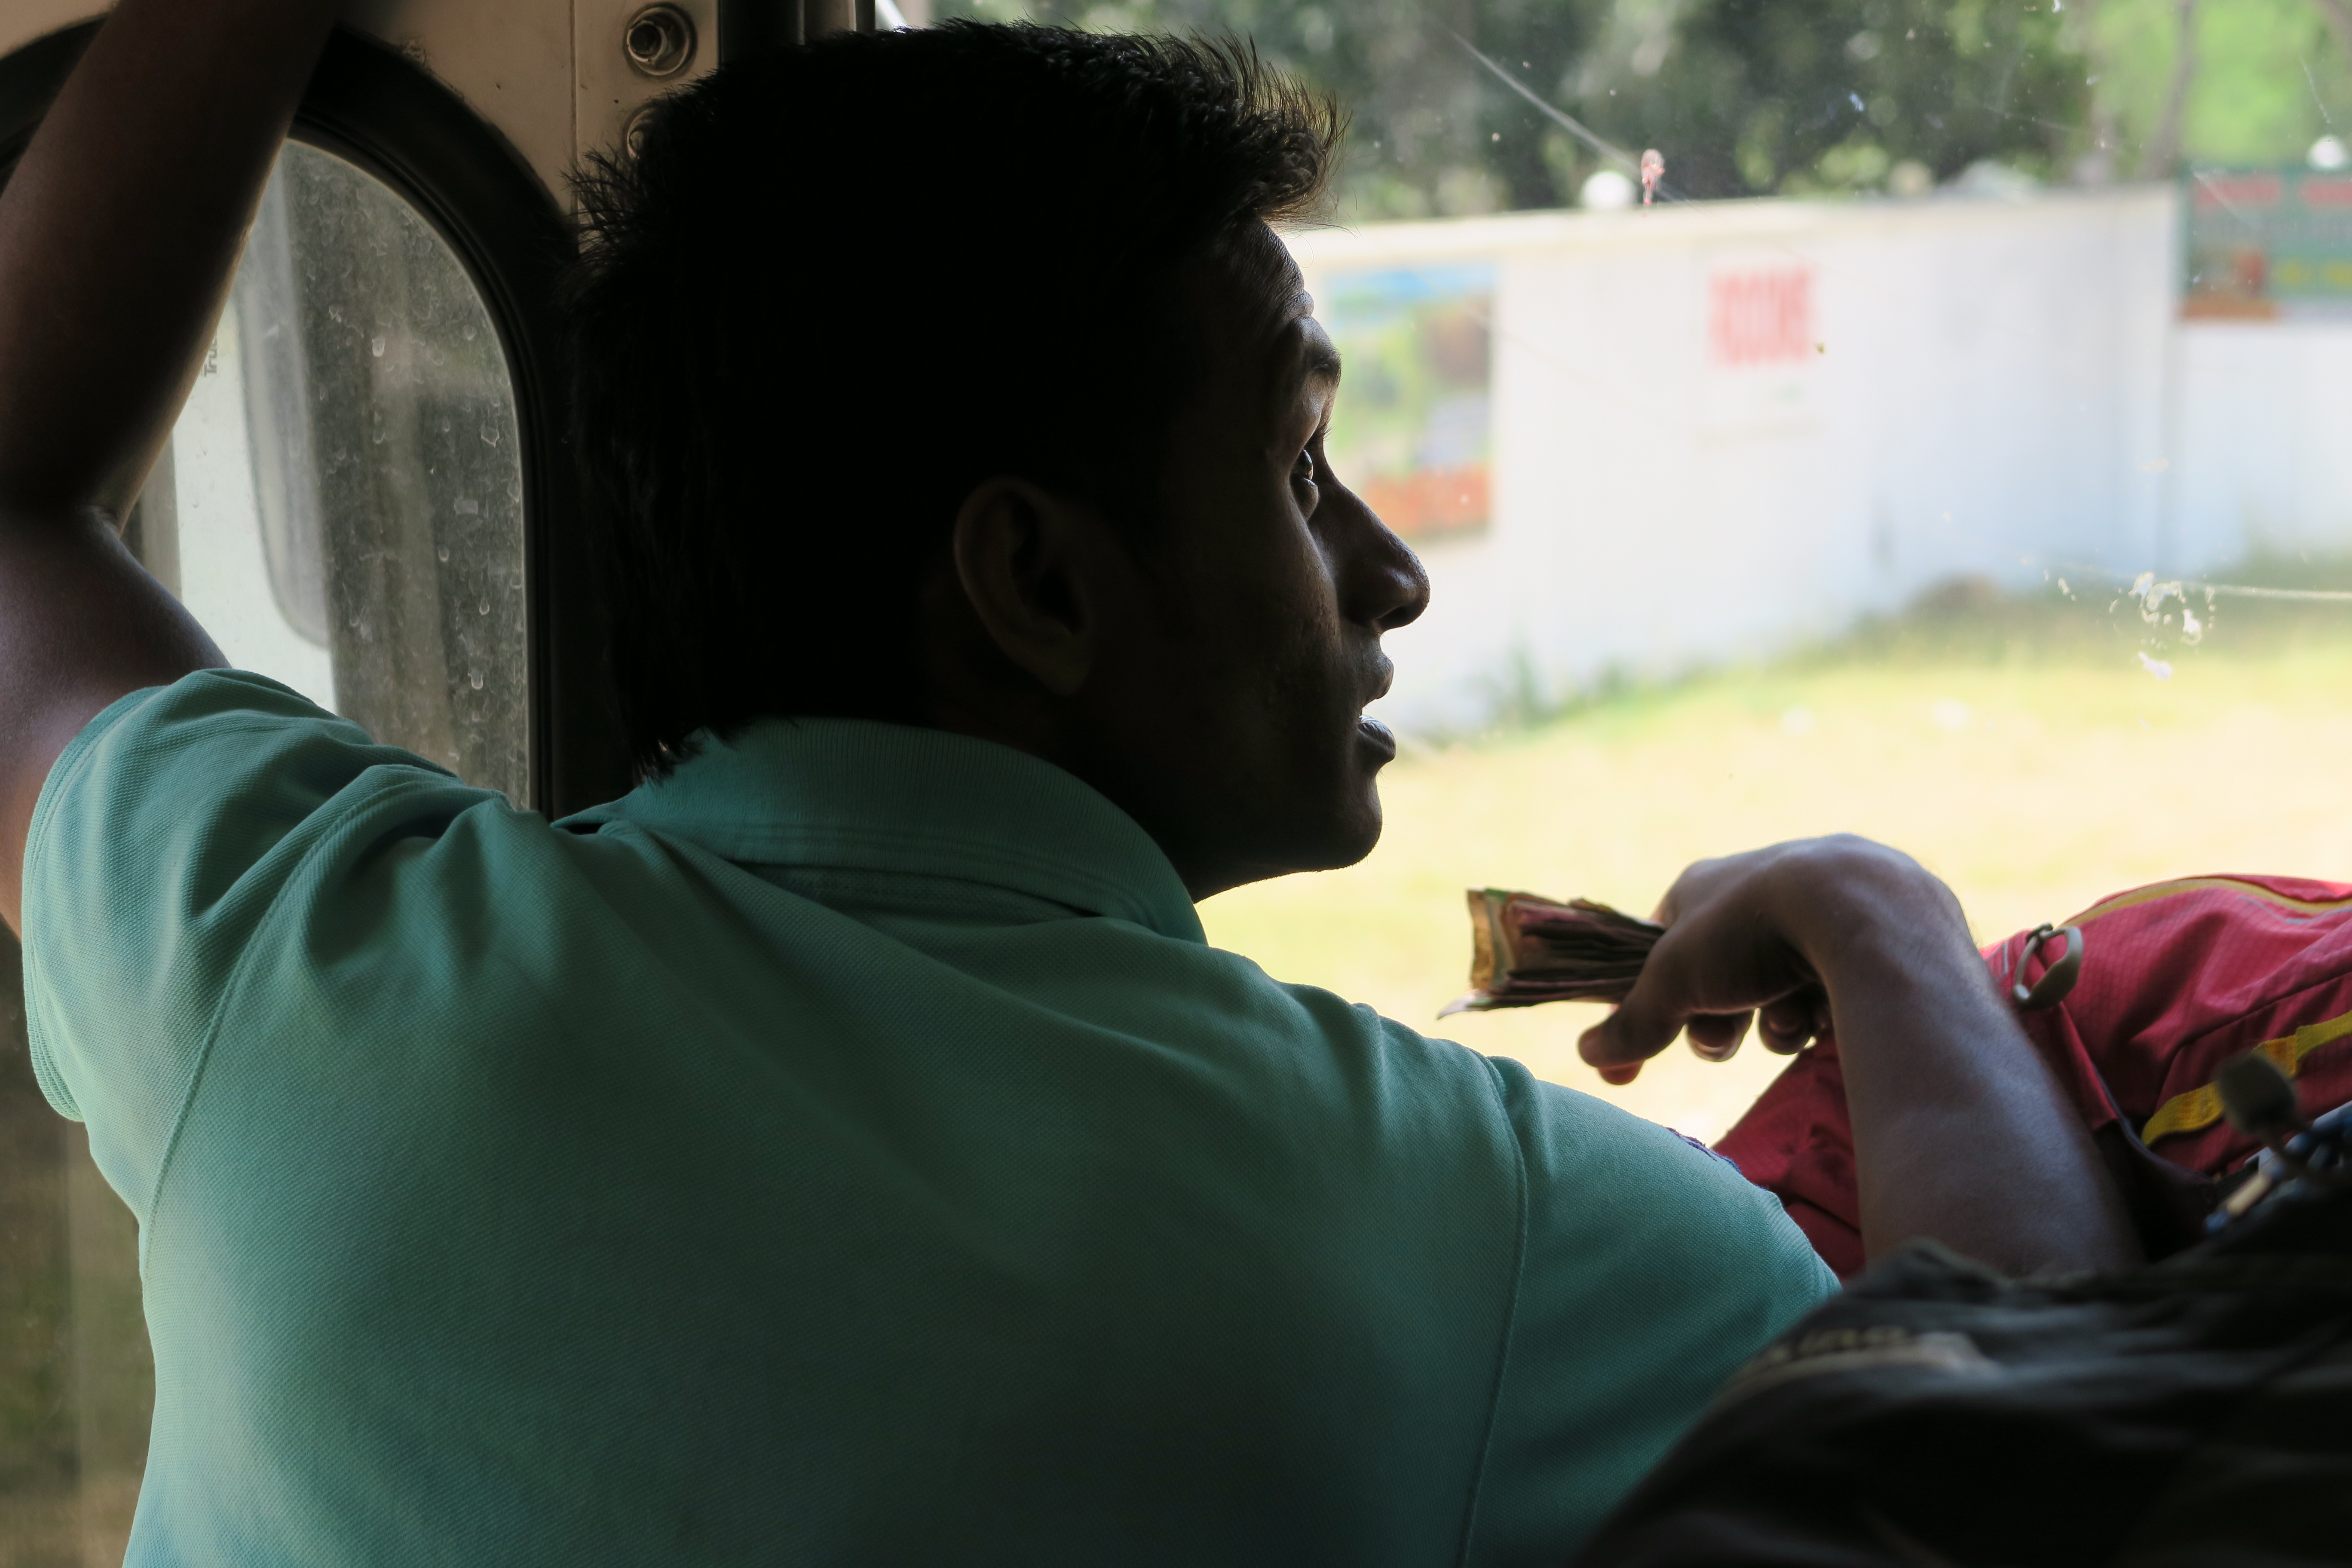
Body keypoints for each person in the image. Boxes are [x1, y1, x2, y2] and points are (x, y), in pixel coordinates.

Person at [0, 2, 2138, 1562]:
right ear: (1031, 583)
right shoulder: (1494, 1234)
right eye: (1299, 469)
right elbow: (2050, 1464)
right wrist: (1878, 914)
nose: (1386, 572)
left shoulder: (288, 957)